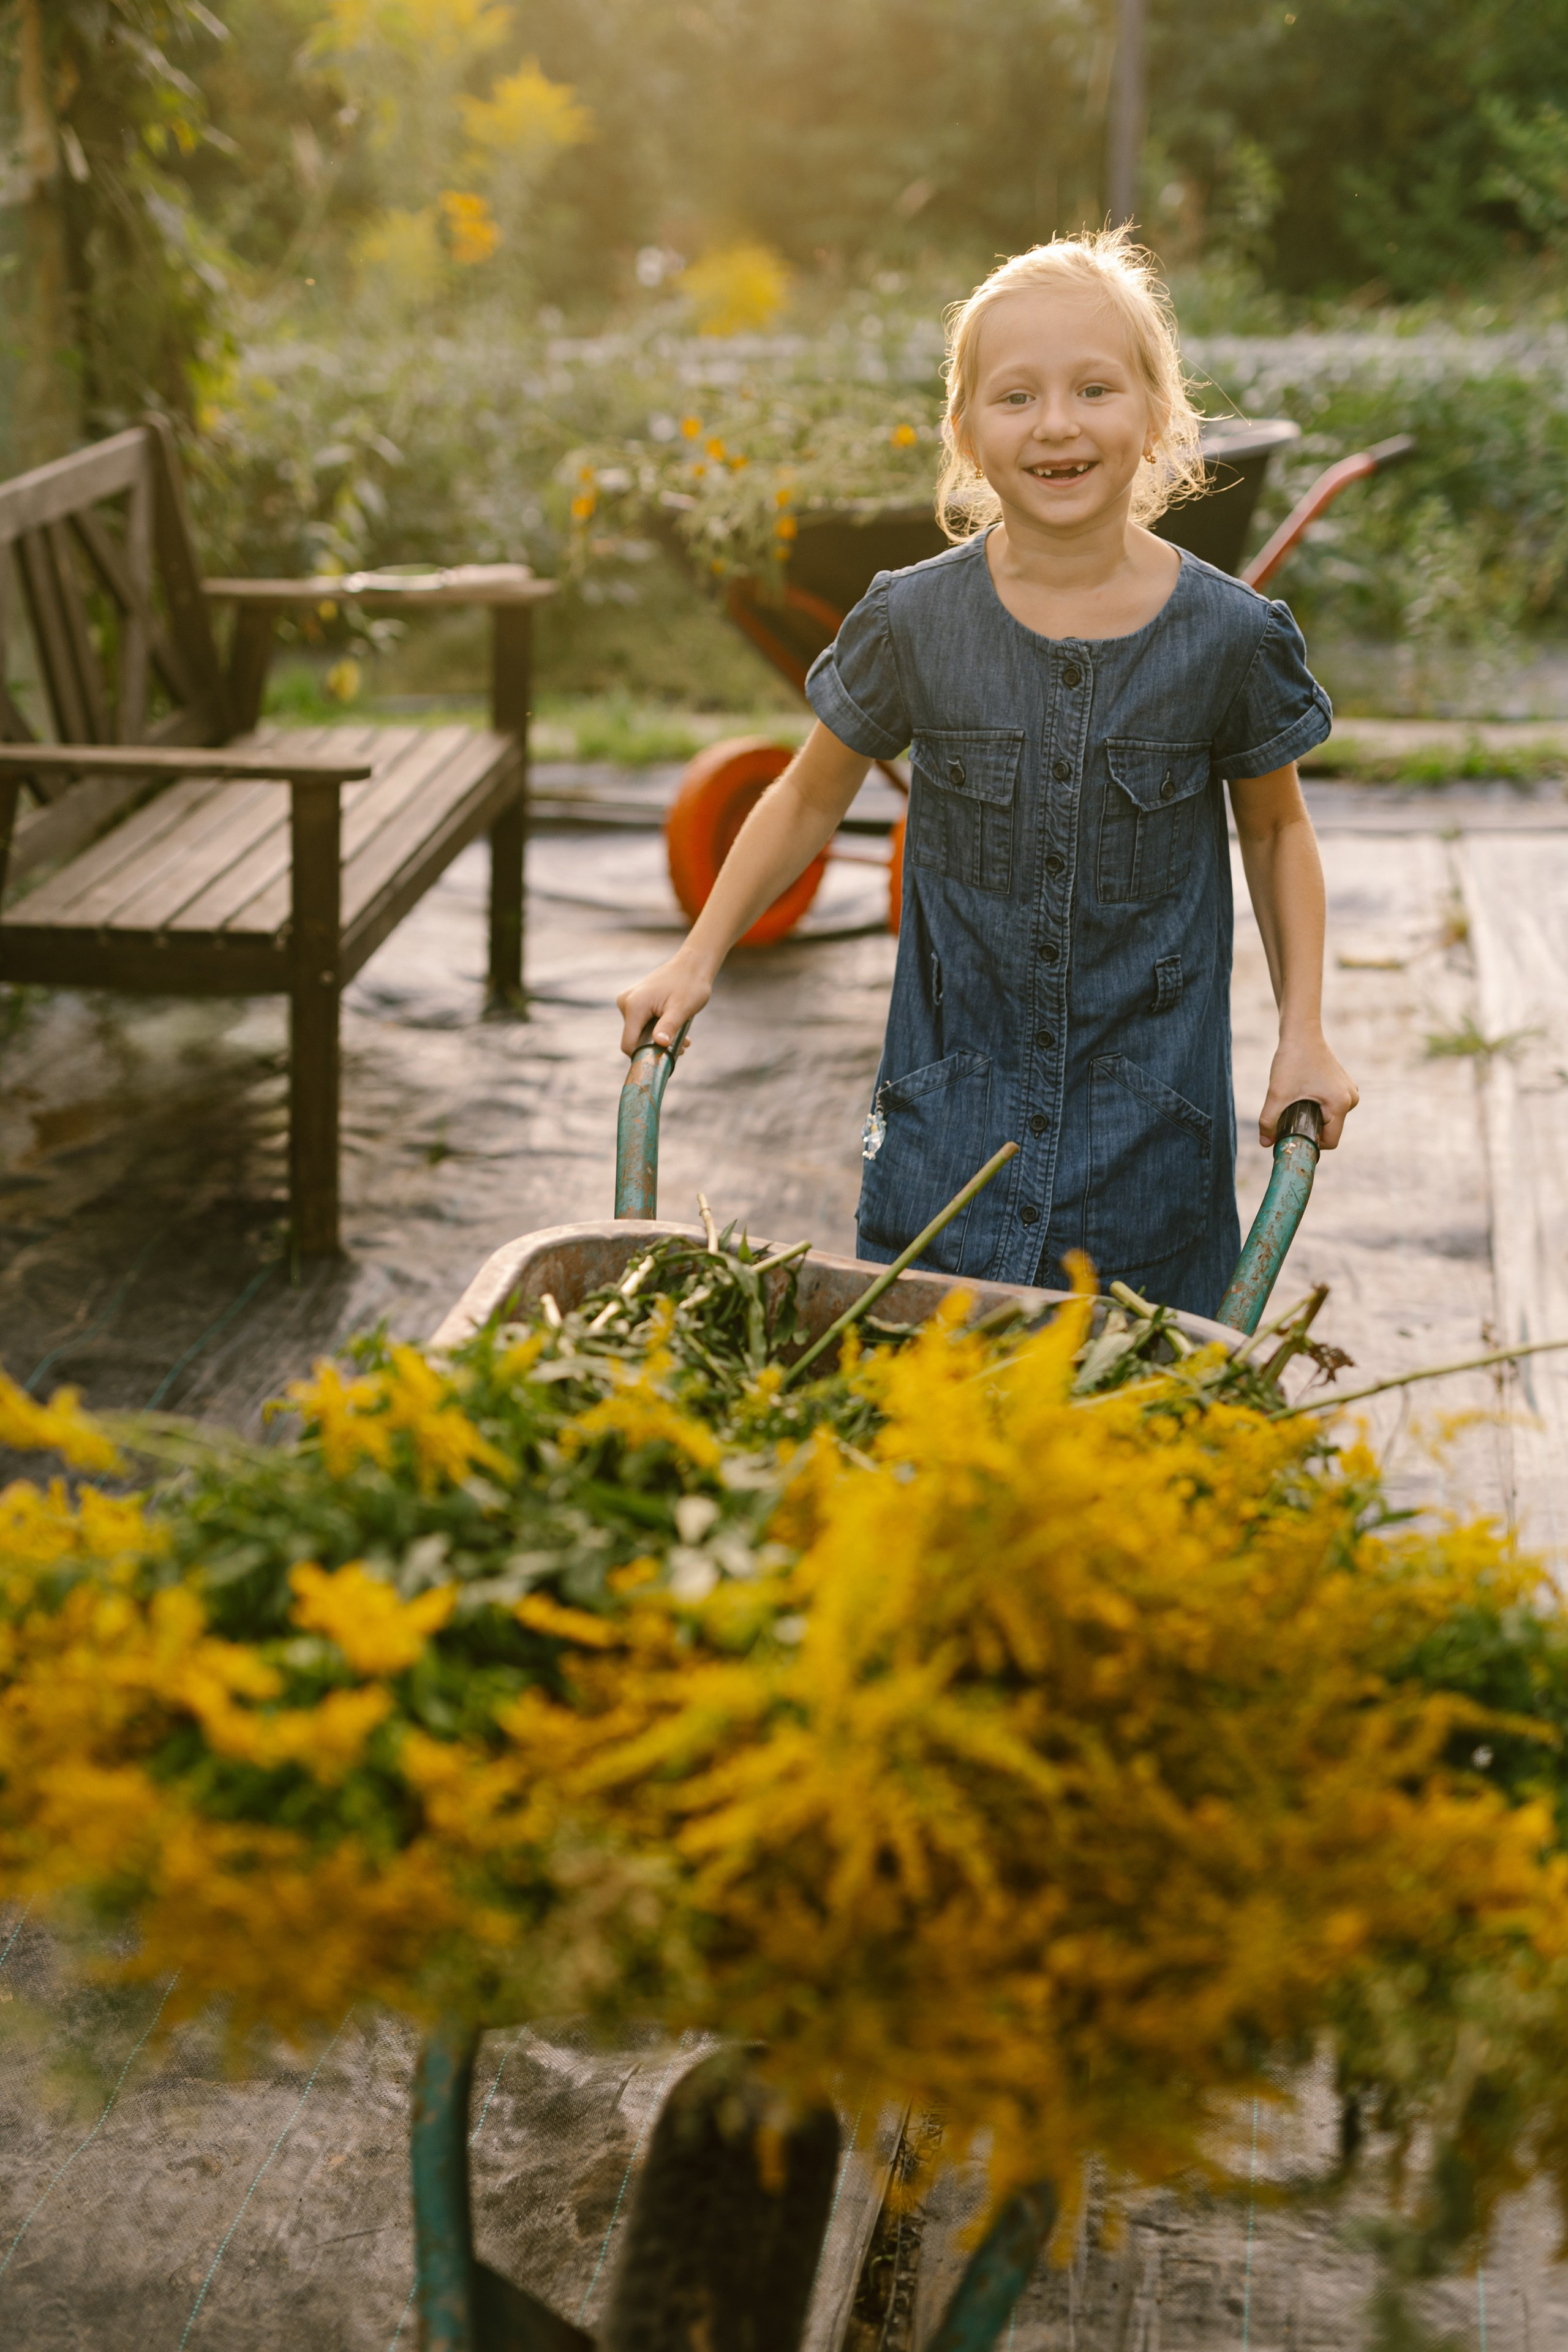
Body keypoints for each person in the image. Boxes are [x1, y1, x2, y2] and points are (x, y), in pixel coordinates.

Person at [616, 228, 1358, 1317]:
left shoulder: (1227, 638)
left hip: (1149, 1152)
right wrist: (695, 957)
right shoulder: (913, 620)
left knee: (1127, 1440)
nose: (1057, 423)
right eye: (1016, 397)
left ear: (1157, 414)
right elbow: (810, 793)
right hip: (944, 1145)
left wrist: (1306, 1033)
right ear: (965, 434)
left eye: (1094, 388)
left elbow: (1279, 834)